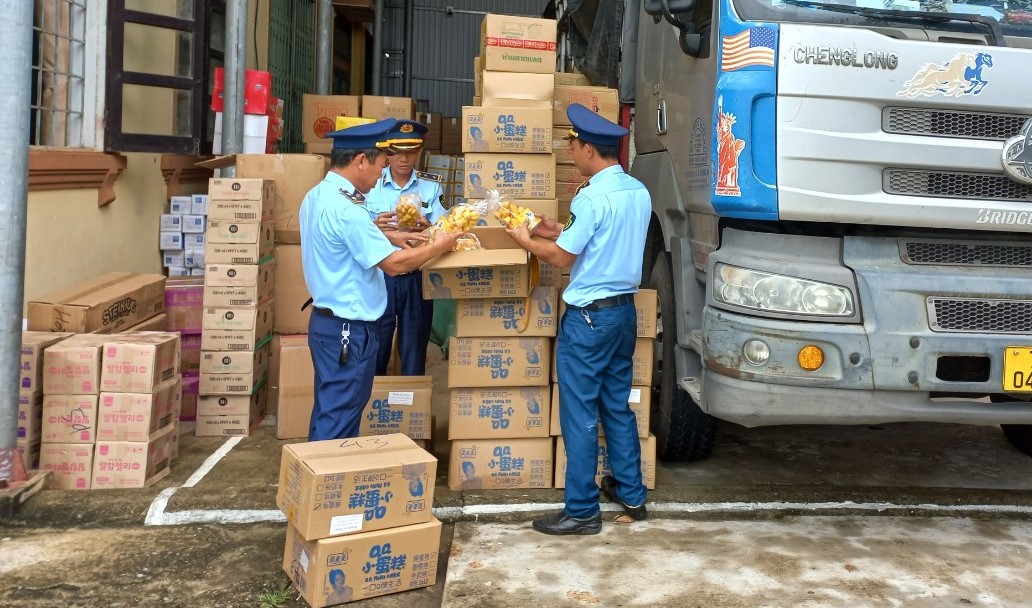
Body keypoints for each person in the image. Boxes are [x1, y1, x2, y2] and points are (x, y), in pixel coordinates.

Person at [504, 103, 651, 535]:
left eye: (573, 143)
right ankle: (632, 495)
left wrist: (525, 240)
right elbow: (598, 240)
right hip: (624, 314)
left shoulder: (591, 196)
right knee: (616, 407)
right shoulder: (637, 191)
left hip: (587, 321)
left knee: (580, 415)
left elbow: (563, 257)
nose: (570, 149)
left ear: (589, 149)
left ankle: (583, 510)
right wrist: (555, 229)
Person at [299, 118, 463, 441]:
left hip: (326, 325)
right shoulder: (350, 211)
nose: (380, 174)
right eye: (379, 163)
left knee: (329, 410)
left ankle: (317, 483)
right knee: (340, 420)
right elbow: (395, 266)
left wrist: (387, 234)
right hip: (349, 330)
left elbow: (345, 244)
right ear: (361, 160)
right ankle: (331, 487)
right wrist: (441, 244)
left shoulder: (317, 197)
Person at [364, 119, 448, 376]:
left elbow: (446, 228)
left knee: (414, 347)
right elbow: (355, 228)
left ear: (420, 152)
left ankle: (410, 408)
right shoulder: (371, 184)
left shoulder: (430, 185)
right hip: (380, 275)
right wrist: (375, 226)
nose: (403, 158)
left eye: (410, 151)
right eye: (397, 151)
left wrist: (428, 224)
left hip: (417, 275)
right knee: (376, 345)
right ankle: (374, 404)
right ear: (387, 153)